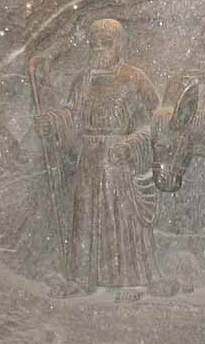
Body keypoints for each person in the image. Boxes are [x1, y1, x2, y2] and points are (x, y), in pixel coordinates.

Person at [34, 19, 161, 294]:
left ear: (120, 45)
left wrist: (131, 143)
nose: (99, 49)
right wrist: (52, 122)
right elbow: (71, 115)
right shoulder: (83, 80)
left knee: (122, 218)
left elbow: (156, 122)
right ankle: (83, 279)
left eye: (106, 43)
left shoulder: (135, 78)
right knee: (86, 218)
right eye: (94, 44)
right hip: (89, 162)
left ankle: (131, 281)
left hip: (121, 162)